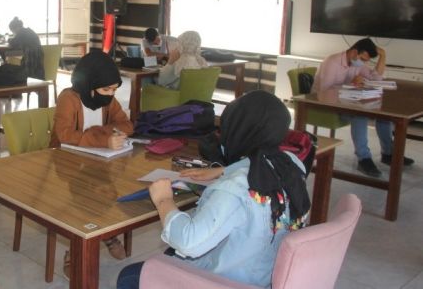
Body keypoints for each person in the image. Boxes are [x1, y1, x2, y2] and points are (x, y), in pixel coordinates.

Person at [116, 90, 311, 289]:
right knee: (170, 255)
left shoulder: (235, 189)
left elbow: (189, 242)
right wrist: (225, 170)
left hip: (229, 281)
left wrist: (164, 200)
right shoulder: (292, 166)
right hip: (266, 273)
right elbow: (258, 166)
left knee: (131, 276)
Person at [50, 50, 134, 276]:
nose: (110, 95)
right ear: (89, 84)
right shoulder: (69, 98)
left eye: (114, 90)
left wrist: (103, 134)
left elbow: (126, 125)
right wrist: (103, 138)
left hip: (99, 161)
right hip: (66, 163)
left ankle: (105, 232)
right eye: (106, 90)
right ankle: (74, 247)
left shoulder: (108, 99)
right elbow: (65, 134)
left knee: (106, 196)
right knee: (80, 201)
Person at [312, 38, 414, 177]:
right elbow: (324, 92)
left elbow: (375, 79)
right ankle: (364, 159)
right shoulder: (332, 62)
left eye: (366, 60)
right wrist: (351, 84)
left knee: (384, 116)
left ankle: (388, 154)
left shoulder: (356, 62)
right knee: (360, 115)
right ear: (354, 52)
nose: (363, 63)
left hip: (346, 101)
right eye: (363, 59)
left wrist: (383, 56)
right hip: (324, 104)